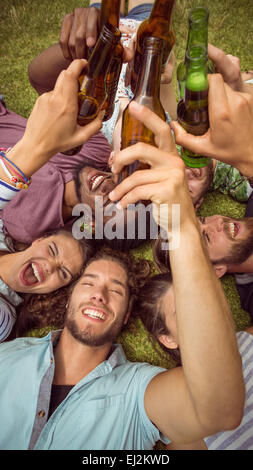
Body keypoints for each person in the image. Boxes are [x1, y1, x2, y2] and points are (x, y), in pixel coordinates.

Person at [0, 100, 244, 447]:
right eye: (87, 282)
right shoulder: (8, 354)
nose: (100, 294)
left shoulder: (137, 392)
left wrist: (183, 227)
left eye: (116, 290)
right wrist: (33, 148)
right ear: (68, 296)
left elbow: (219, 411)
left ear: (127, 313)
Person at [0, 59, 108, 341]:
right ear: (38, 240)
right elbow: (41, 75)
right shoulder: (5, 231)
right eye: (51, 251)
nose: (48, 267)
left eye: (62, 274)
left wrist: (35, 149)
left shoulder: (4, 317)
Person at [134, 271, 253, 450]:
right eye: (183, 313)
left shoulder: (247, 339)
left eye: (202, 300)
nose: (202, 313)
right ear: (169, 339)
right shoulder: (190, 429)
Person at [183, 44, 253, 209]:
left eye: (177, 176)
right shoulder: (238, 185)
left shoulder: (181, 137)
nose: (187, 174)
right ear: (197, 204)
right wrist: (239, 88)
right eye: (188, 190)